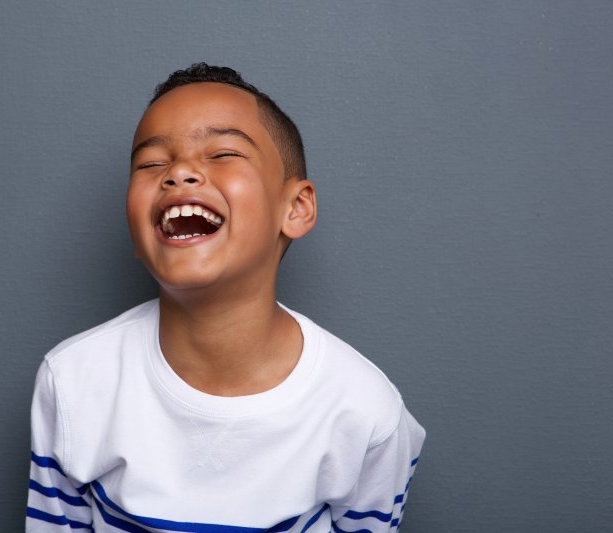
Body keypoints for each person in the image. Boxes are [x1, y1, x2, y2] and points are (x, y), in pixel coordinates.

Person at [26, 63, 425, 532]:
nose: (179, 172)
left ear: (295, 208)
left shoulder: (365, 412)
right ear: (135, 230)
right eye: (152, 163)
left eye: (223, 152)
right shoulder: (72, 382)